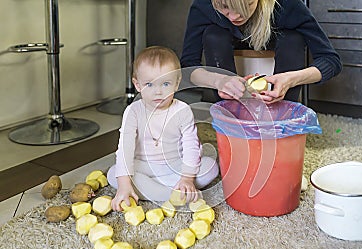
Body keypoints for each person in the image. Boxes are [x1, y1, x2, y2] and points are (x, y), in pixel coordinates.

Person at [108, 46, 219, 211]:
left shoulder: (182, 110)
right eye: (149, 84)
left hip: (176, 165)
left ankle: (175, 188)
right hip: (144, 165)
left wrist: (187, 178)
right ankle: (174, 194)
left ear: (177, 84)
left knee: (211, 167)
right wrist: (124, 185)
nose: (158, 92)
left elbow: (190, 145)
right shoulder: (133, 111)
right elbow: (125, 147)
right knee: (114, 174)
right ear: (137, 85)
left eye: (166, 83)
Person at [180, 0, 342, 104]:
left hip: (276, 43)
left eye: (247, 5)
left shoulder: (287, 5)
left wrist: (290, 79)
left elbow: (331, 61)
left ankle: (281, 118)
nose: (235, 16)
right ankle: (230, 117)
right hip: (225, 45)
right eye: (225, 7)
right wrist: (219, 81)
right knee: (213, 35)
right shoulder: (203, 6)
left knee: (293, 38)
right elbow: (188, 66)